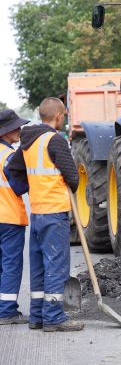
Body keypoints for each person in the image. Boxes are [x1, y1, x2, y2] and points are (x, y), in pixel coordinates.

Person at [8, 97, 84, 332]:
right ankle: (53, 318)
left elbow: (12, 168)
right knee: (56, 265)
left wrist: (28, 188)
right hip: (55, 212)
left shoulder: (28, 142)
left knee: (40, 265)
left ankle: (38, 316)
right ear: (59, 116)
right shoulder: (55, 140)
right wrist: (69, 185)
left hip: (38, 212)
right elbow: (73, 177)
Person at [0, 110, 29, 325]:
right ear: (6, 131)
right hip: (9, 218)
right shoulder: (9, 156)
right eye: (16, 127)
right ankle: (7, 311)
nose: (19, 130)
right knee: (11, 264)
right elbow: (19, 186)